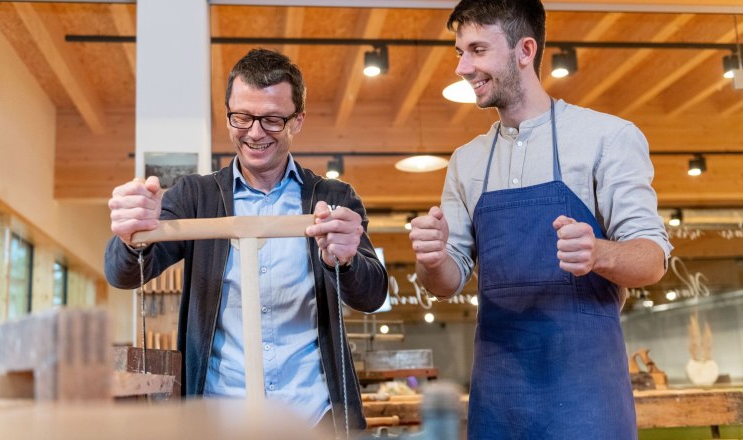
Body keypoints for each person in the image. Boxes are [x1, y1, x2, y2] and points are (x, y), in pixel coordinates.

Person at [408, 1, 673, 438]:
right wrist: (432, 258)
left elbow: (652, 259)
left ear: (524, 50)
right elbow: (445, 283)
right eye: (458, 52)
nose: (461, 67)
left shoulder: (607, 138)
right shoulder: (466, 162)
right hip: (498, 399)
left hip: (588, 399)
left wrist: (598, 253)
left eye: (476, 50)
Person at [105, 48, 388, 435]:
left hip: (315, 418)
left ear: (297, 120)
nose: (255, 132)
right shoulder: (194, 196)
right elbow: (123, 273)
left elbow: (372, 296)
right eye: (242, 117)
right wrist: (132, 235)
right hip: (219, 421)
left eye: (272, 119)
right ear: (228, 115)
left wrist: (348, 260)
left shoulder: (333, 197)